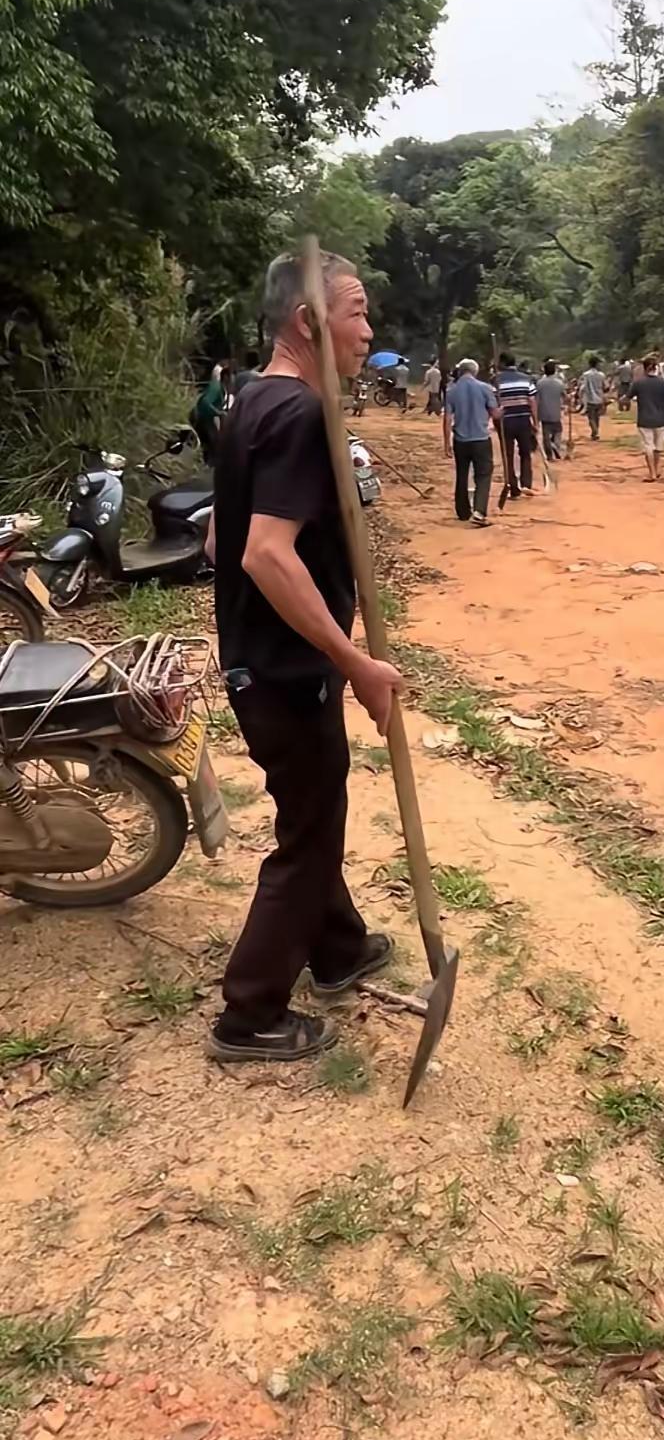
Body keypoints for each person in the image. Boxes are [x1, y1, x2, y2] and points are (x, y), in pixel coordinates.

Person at [206, 251, 403, 1064]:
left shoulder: (249, 401)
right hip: (286, 674)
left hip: (260, 663)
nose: (368, 331)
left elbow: (221, 536)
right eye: (356, 312)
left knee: (314, 812)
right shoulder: (297, 418)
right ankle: (249, 1014)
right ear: (309, 323)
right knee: (312, 835)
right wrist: (354, 662)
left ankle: (339, 949)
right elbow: (263, 555)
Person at [444, 357, 499, 526]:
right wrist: (502, 410)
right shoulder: (485, 388)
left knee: (462, 474)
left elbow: (447, 418)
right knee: (483, 475)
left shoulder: (451, 390)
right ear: (474, 371)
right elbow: (495, 414)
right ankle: (479, 511)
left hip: (460, 440)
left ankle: (462, 511)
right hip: (481, 439)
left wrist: (446, 443)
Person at [496, 353, 538, 498]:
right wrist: (535, 421)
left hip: (504, 422)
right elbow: (532, 401)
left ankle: (513, 487)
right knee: (525, 453)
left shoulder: (496, 380)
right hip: (523, 420)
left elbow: (493, 403)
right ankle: (526, 484)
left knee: (508, 455)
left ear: (501, 363)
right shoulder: (526, 379)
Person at [634, 356, 664, 483]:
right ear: (656, 368)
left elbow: (627, 397)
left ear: (644, 369)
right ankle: (657, 470)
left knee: (648, 447)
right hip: (660, 419)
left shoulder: (639, 383)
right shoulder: (663, 383)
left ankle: (652, 473)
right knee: (658, 447)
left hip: (644, 420)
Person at [190, 360, 227, 464]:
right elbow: (205, 403)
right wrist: (218, 412)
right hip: (201, 417)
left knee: (212, 444)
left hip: (205, 418)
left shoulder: (221, 388)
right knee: (213, 444)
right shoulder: (216, 387)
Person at [536, 360, 566, 461]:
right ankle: (555, 445)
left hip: (543, 412)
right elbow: (565, 396)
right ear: (554, 371)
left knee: (546, 435)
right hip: (556, 411)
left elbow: (536, 399)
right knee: (558, 431)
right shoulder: (559, 383)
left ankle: (549, 455)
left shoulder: (539, 383)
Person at [580, 354, 607, 439]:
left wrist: (581, 396)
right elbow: (605, 386)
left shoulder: (586, 375)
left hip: (590, 399)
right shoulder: (601, 375)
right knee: (597, 417)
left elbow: (583, 387)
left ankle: (594, 431)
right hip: (599, 399)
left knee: (591, 417)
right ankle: (595, 432)